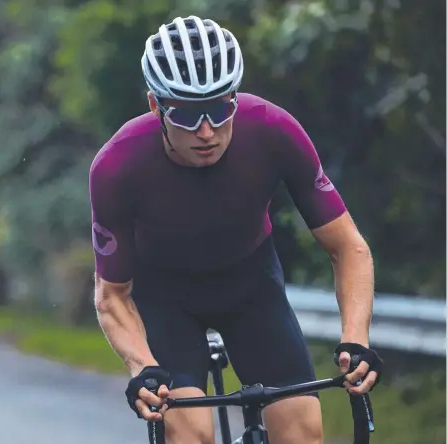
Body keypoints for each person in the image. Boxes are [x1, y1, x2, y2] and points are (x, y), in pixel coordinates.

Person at [89, 15, 383, 444]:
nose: (206, 131)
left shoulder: (273, 130)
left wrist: (355, 339)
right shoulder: (117, 166)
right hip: (167, 299)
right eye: (187, 115)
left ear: (236, 98)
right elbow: (111, 294)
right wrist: (141, 367)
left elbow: (349, 248)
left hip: (251, 288)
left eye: (220, 109)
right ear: (156, 106)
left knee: (302, 434)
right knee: (190, 434)